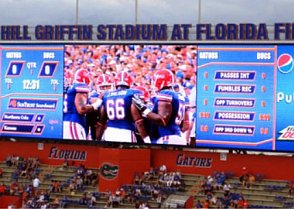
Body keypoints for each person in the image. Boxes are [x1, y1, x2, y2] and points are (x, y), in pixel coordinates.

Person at [132, 69, 189, 145]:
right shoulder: (181, 96)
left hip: (167, 138)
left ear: (159, 81)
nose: (153, 84)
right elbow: (186, 124)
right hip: (177, 136)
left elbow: (162, 120)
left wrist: (142, 108)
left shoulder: (165, 93)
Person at [96, 71, 151, 144]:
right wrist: (147, 141)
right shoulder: (132, 93)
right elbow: (138, 121)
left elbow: (101, 122)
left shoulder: (106, 95)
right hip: (126, 132)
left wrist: (97, 141)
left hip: (109, 133)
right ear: (130, 83)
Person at [63, 68, 103, 140]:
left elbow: (88, 100)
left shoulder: (71, 89)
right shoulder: (81, 86)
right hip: (73, 124)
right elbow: (81, 109)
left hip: (65, 123)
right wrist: (97, 104)